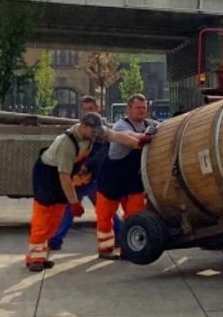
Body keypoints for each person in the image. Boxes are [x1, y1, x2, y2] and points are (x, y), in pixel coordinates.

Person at [25, 113, 143, 272]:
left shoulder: (95, 132)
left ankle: (40, 255)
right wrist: (74, 203)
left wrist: (137, 143)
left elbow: (117, 136)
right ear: (84, 126)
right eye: (93, 131)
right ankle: (34, 259)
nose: (96, 135)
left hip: (63, 174)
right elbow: (64, 177)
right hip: (47, 177)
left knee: (55, 220)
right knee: (44, 216)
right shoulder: (65, 144)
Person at [48, 96, 118, 251]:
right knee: (82, 208)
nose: (88, 112)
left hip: (94, 176)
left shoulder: (100, 128)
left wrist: (86, 165)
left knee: (103, 209)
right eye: (85, 109)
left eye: (91, 109)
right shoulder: (81, 127)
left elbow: (101, 152)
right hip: (83, 176)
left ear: (97, 108)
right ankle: (56, 239)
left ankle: (56, 239)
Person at [95, 93, 158, 260]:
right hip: (112, 178)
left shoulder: (150, 124)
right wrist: (149, 136)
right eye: (138, 107)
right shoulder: (120, 126)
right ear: (128, 109)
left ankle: (127, 248)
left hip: (134, 179)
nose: (141, 111)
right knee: (105, 216)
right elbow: (135, 142)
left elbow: (164, 129)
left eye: (144, 107)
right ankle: (105, 249)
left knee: (135, 215)